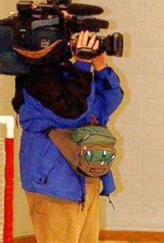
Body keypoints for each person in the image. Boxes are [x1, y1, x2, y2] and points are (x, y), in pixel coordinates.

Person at [13, 30, 123, 243]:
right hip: (54, 184)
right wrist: (82, 64)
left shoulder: (75, 77)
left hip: (84, 177)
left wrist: (100, 67)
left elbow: (108, 102)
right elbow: (71, 114)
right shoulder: (38, 79)